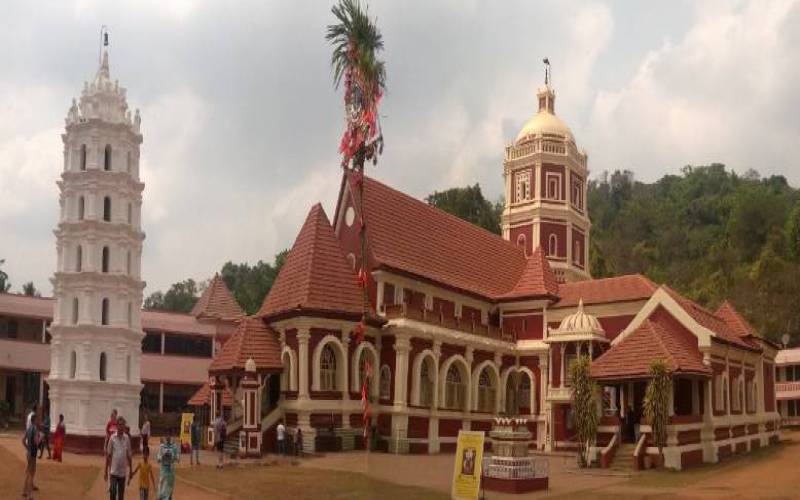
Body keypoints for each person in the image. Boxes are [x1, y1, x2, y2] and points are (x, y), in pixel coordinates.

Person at [105, 416, 132, 500]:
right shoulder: (112, 438)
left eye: (122, 425)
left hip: (122, 472)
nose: (121, 427)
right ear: (117, 426)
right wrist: (105, 471)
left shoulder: (127, 439)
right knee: (112, 492)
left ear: (124, 426)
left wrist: (131, 470)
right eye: (119, 425)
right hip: (113, 471)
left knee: (121, 496)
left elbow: (129, 455)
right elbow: (108, 455)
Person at [22, 412, 41, 498]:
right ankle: (30, 495)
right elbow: (36, 442)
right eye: (37, 419)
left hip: (28, 452)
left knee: (27, 472)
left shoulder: (29, 428)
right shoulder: (35, 430)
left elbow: (23, 440)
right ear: (35, 420)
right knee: (31, 474)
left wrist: (27, 448)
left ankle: (24, 491)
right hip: (33, 453)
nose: (38, 421)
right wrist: (40, 438)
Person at [157, 430, 180, 500]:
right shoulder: (162, 446)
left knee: (169, 491)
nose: (168, 437)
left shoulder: (174, 446)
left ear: (171, 436)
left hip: (171, 472)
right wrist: (163, 457)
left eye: (169, 435)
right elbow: (158, 458)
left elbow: (178, 458)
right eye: (167, 435)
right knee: (161, 491)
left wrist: (172, 457)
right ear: (165, 436)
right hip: (163, 472)